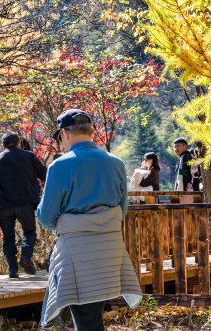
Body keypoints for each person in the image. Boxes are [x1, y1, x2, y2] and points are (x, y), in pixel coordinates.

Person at [37, 109, 142, 330]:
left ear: (65, 134)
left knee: (85, 319)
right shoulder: (116, 163)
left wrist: (64, 224)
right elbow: (121, 210)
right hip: (110, 247)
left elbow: (46, 216)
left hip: (77, 250)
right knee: (92, 316)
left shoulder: (59, 166)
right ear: (92, 131)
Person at [0, 132, 47, 278]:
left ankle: (12, 269)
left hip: (4, 205)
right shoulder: (29, 156)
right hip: (25, 202)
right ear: (18, 143)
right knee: (29, 232)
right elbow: (44, 174)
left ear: (3, 145)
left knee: (8, 237)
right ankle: (25, 257)